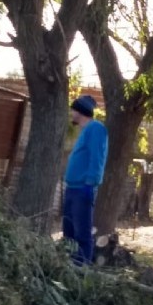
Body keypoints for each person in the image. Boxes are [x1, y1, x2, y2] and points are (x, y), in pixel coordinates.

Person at [63, 95, 108, 265]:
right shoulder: (85, 131)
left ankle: (81, 270)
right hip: (73, 188)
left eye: (73, 110)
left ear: (80, 111)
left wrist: (90, 184)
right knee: (69, 232)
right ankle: (68, 266)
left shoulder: (96, 128)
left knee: (82, 233)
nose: (71, 113)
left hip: (83, 189)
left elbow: (97, 158)